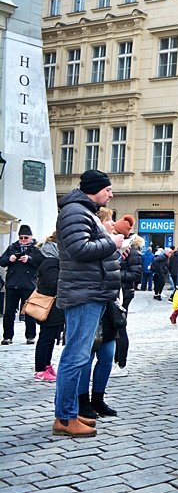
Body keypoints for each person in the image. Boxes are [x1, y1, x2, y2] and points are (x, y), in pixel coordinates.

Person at [52, 169, 123, 437]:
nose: (111, 194)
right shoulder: (74, 212)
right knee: (75, 357)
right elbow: (80, 250)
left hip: (90, 292)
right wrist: (112, 243)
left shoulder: (83, 211)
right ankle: (65, 418)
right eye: (108, 190)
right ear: (95, 189)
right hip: (84, 294)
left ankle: (69, 413)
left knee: (78, 356)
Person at [1, 224, 45, 345]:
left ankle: (30, 336)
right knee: (9, 312)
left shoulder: (36, 248)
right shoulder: (12, 247)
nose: (23, 240)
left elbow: (42, 263)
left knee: (29, 312)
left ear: (31, 237)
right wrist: (10, 259)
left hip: (28, 284)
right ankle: (7, 336)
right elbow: (2, 261)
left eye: (26, 237)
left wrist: (29, 260)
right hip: (12, 284)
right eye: (21, 237)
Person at [33, 233, 64, 382]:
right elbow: (53, 283)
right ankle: (40, 369)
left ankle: (46, 365)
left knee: (50, 338)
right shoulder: (50, 262)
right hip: (49, 307)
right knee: (46, 338)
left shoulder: (53, 261)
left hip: (54, 307)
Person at [112, 234, 143, 377]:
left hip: (124, 292)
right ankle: (116, 360)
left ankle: (121, 362)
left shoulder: (133, 253)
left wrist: (115, 274)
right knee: (115, 327)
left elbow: (136, 274)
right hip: (118, 290)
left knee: (120, 326)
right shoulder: (123, 252)